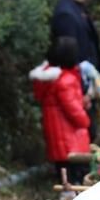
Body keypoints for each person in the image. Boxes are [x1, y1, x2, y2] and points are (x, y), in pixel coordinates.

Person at [30, 36, 91, 184]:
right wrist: (86, 120)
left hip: (56, 135)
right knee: (76, 175)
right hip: (70, 137)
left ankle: (65, 194)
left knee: (63, 172)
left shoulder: (46, 79)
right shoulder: (66, 80)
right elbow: (73, 110)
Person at [50, 0, 100, 137]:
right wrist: (81, 91)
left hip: (85, 90)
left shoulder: (79, 9)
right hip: (76, 92)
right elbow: (67, 57)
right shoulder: (66, 14)